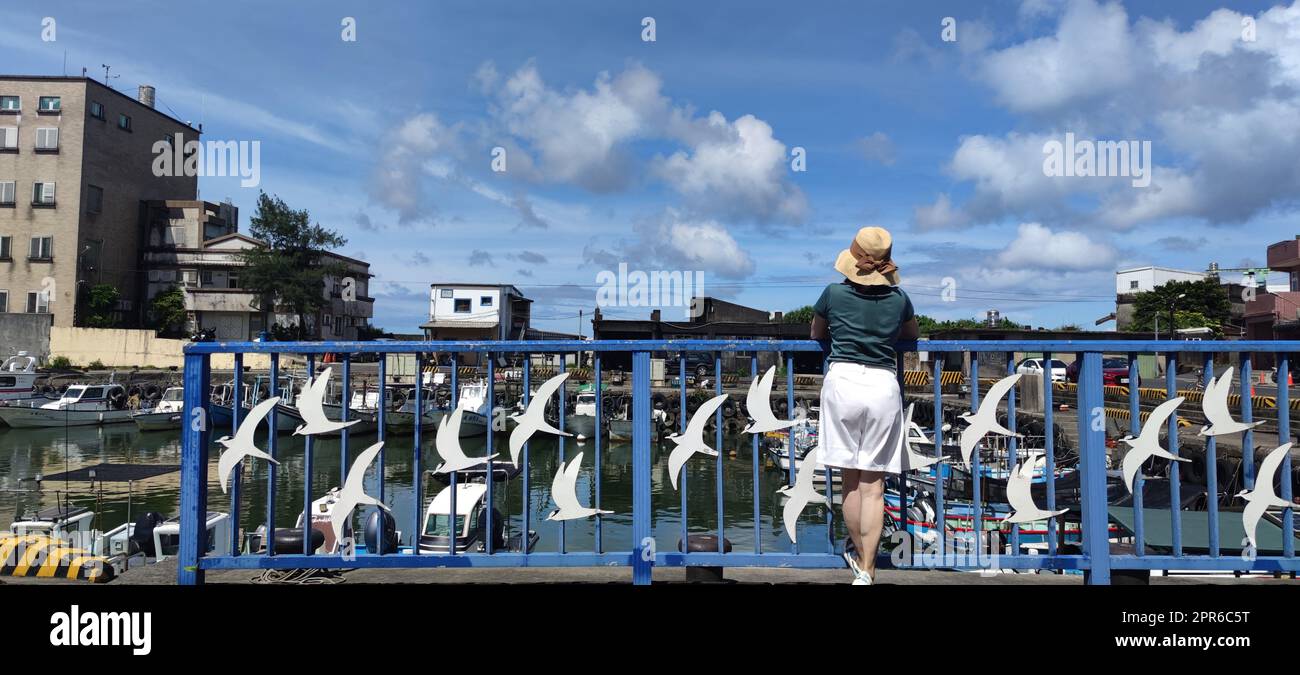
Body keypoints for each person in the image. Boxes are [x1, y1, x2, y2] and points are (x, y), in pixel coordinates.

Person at [810, 226, 918, 585]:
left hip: (842, 384)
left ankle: (856, 554)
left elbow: (817, 335)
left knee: (849, 483)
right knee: (874, 486)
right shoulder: (899, 299)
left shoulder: (832, 294)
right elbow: (911, 336)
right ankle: (868, 568)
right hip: (882, 386)